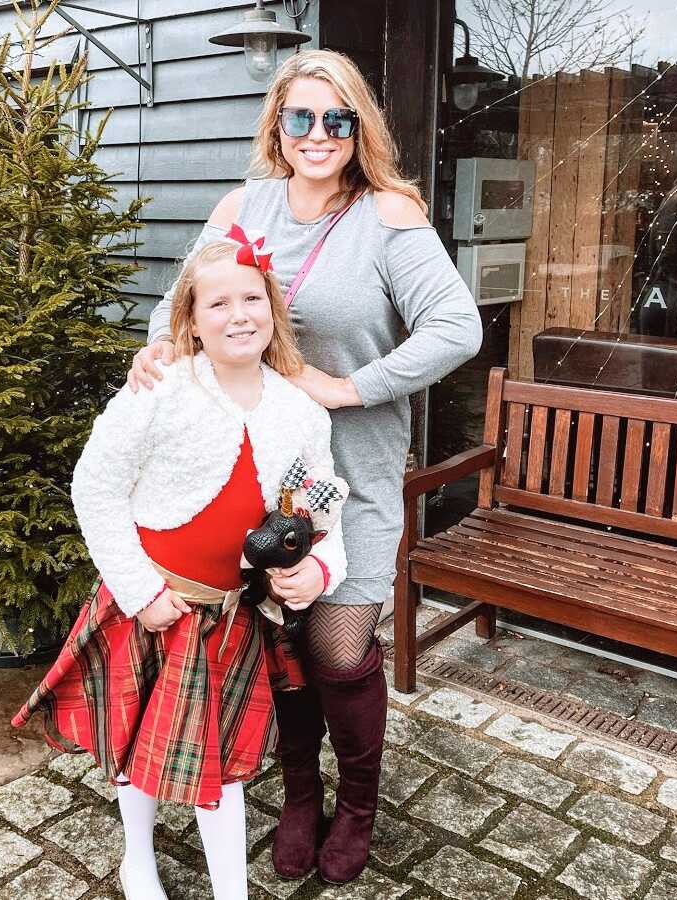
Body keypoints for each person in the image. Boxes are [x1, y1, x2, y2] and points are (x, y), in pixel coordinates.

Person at [128, 49, 482, 884]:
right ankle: (297, 796)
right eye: (301, 118)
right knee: (278, 639)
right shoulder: (240, 204)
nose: (317, 134)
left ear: (358, 128)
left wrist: (348, 387)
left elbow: (456, 328)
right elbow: (182, 303)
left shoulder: (388, 214)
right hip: (247, 475)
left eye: (337, 119)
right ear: (277, 126)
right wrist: (154, 349)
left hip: (347, 478)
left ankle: (356, 803)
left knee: (333, 641)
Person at [12, 239, 348, 900]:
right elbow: (96, 486)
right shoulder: (161, 387)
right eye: (218, 302)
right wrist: (140, 593)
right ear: (191, 320)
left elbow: (325, 507)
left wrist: (321, 570)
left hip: (227, 619)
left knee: (216, 767)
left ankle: (231, 891)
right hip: (152, 607)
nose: (239, 314)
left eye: (253, 298)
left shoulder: (299, 412)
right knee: (138, 747)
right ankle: (137, 859)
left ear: (274, 311)